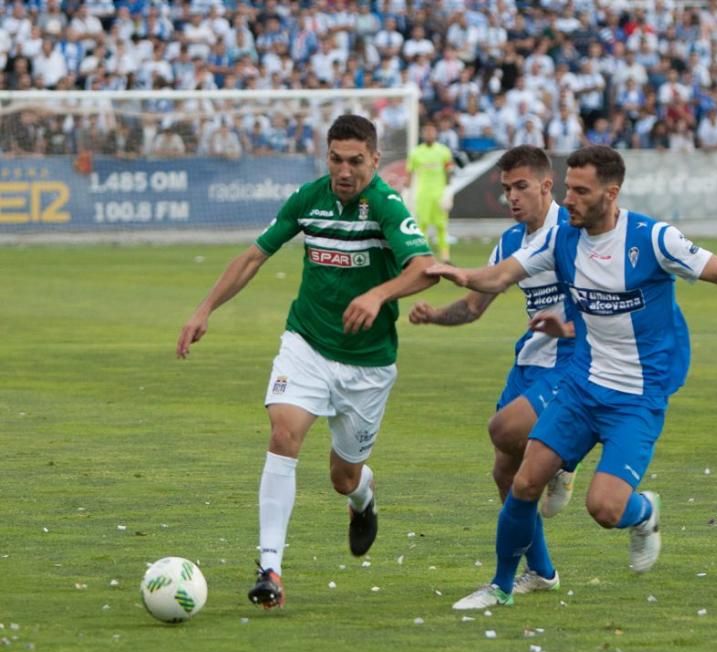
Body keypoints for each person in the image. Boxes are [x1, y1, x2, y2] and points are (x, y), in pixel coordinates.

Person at [427, 145, 717, 610]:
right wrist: (456, 273)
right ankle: (501, 586)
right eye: (568, 189)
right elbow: (498, 278)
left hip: (635, 399)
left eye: (581, 191)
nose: (570, 200)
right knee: (522, 482)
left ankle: (644, 512)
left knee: (604, 509)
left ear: (611, 193)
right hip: (581, 385)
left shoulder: (654, 238)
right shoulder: (560, 240)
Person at [176, 115, 436, 609]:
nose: (344, 170)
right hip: (308, 344)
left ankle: (363, 496)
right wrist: (204, 309)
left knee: (343, 476)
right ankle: (269, 567)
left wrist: (378, 295)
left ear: (375, 161)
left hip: (367, 364)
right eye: (336, 159)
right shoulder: (308, 199)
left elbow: (426, 269)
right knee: (283, 433)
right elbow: (254, 256)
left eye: (355, 161)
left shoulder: (385, 205)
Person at [408, 146, 575, 598]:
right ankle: (541, 572)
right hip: (529, 361)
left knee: (503, 429)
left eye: (521, 187)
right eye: (506, 190)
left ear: (546, 185)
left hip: (572, 359)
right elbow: (475, 306)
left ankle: (564, 455)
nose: (513, 198)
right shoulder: (510, 241)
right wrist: (435, 316)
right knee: (505, 474)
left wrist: (455, 271)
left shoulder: (574, 231)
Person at [406, 122, 455, 262]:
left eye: (431, 131)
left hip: (439, 194)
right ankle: (424, 256)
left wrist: (449, 191)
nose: (429, 134)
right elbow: (409, 174)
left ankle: (445, 257)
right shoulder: (415, 153)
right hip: (423, 195)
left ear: (436, 133)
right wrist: (407, 193)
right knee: (422, 225)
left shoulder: (444, 151)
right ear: (422, 133)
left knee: (441, 225)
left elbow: (449, 171)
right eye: (426, 131)